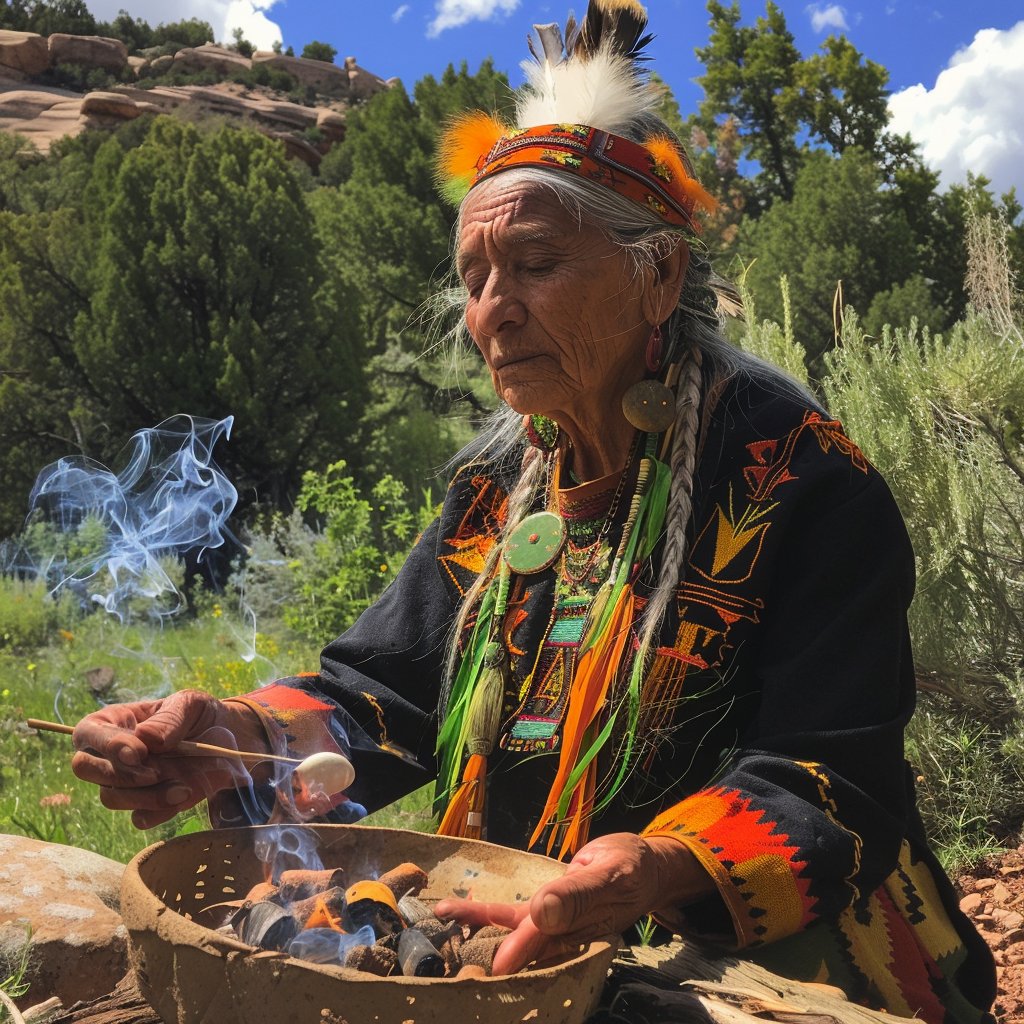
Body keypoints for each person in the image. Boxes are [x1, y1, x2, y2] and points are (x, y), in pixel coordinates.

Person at [69, 1, 995, 1020]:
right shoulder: (500, 486)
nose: (491, 311)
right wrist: (234, 735)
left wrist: (654, 865)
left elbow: (828, 772)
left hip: (775, 949)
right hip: (523, 931)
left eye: (537, 265)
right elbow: (388, 694)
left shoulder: (801, 481)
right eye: (475, 276)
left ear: (661, 274)